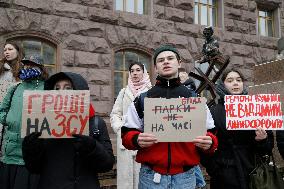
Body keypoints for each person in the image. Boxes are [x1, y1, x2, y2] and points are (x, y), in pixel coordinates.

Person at [121, 45, 218, 189]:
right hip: (151, 176)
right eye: (161, 60)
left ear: (179, 63)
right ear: (155, 67)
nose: (166, 62)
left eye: (170, 58)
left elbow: (211, 132)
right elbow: (126, 134)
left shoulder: (193, 98)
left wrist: (210, 143)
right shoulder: (142, 99)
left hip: (186, 176)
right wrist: (136, 139)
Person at [22, 72, 115, 189]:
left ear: (79, 91)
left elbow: (107, 164)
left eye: (68, 88)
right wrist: (31, 148)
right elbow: (33, 168)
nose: (61, 92)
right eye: (56, 88)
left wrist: (92, 147)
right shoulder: (41, 124)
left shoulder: (95, 123)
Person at [201, 69, 274, 189]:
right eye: (230, 80)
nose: (235, 83)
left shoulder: (256, 109)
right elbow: (205, 145)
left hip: (253, 174)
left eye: (239, 80)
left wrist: (262, 139)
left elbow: (267, 149)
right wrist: (215, 170)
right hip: (224, 177)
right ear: (222, 85)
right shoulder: (213, 111)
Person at [0, 54, 48, 189]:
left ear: (40, 68)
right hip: (10, 154)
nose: (28, 67)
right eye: (26, 64)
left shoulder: (47, 89)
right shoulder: (15, 88)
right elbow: (2, 110)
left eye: (32, 65)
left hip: (33, 153)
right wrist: (9, 120)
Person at [110, 61, 152, 189]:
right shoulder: (123, 92)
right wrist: (120, 129)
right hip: (125, 142)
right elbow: (115, 114)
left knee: (144, 178)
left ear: (144, 72)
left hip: (145, 141)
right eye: (132, 71)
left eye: (138, 70)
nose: (135, 73)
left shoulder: (151, 91)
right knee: (126, 180)